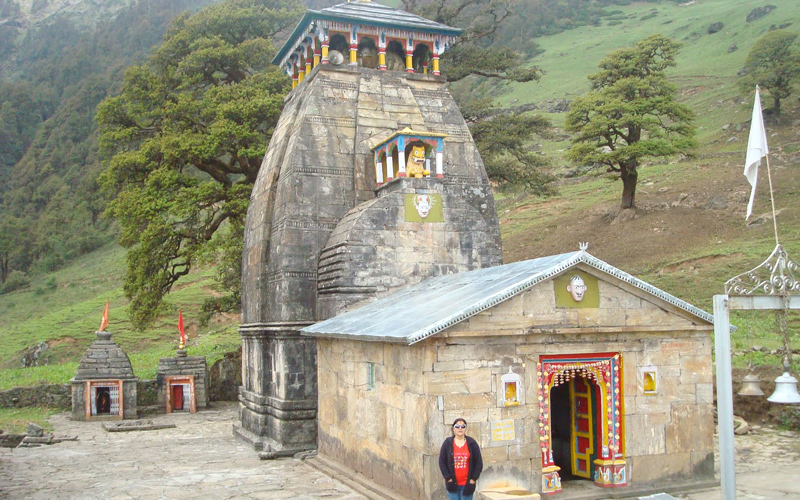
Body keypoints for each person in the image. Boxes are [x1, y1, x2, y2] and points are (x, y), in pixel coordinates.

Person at [438, 418, 483, 500]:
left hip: (467, 485)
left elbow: (478, 462)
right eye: (457, 426)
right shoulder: (447, 443)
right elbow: (442, 461)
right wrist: (448, 478)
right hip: (452, 484)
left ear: (466, 429)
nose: (460, 428)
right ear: (453, 428)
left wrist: (473, 479)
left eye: (463, 426)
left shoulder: (472, 443)